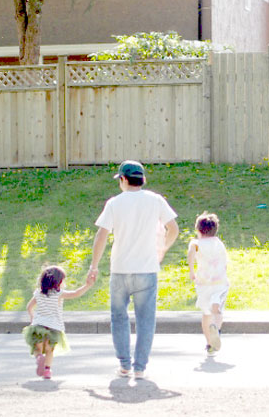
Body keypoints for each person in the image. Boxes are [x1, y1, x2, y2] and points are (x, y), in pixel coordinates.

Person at [89, 160, 179, 379]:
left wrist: (94, 265)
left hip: (120, 268)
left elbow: (101, 235)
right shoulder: (156, 200)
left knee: (119, 317)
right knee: (145, 320)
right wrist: (162, 249)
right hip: (147, 268)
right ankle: (140, 367)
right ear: (142, 179)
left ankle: (124, 365)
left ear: (123, 179)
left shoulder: (114, 203)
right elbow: (173, 228)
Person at [22, 265, 94, 379]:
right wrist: (87, 285)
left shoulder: (38, 293)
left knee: (37, 348)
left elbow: (29, 307)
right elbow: (75, 293)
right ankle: (47, 370)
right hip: (53, 328)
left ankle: (39, 357)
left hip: (38, 326)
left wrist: (32, 317)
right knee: (49, 350)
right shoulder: (59, 294)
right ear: (58, 282)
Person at [187, 212, 229, 357]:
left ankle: (209, 344)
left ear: (198, 230)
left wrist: (191, 271)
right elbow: (225, 262)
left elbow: (191, 253)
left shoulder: (196, 244)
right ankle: (216, 328)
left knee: (206, 313)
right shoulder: (219, 243)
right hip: (220, 282)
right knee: (217, 311)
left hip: (204, 283)